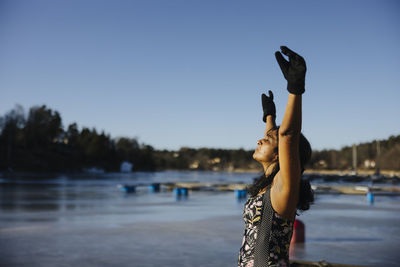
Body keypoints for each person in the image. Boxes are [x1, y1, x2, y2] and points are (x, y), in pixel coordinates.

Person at [238, 46, 314, 267]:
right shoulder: (270, 184)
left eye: (267, 139)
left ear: (281, 153)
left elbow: (287, 135)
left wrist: (295, 89)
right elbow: (277, 137)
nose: (259, 140)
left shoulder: (284, 187)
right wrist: (269, 115)